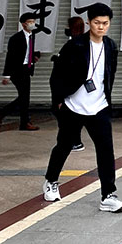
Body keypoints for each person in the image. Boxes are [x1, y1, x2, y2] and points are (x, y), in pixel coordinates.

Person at [43, 2, 122, 212]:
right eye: (97, 23)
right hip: (73, 106)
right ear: (89, 22)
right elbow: (57, 74)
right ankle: (51, 181)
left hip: (99, 107)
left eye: (105, 23)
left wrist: (106, 100)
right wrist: (58, 101)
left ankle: (108, 195)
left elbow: (110, 74)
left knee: (106, 151)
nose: (101, 27)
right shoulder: (75, 45)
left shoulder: (110, 46)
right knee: (63, 146)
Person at [0, 12, 41, 131]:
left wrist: (34, 56)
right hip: (17, 71)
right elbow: (10, 57)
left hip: (27, 69)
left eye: (33, 21)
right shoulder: (16, 38)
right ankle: (24, 122)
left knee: (24, 97)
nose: (32, 24)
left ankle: (3, 114)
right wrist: (7, 75)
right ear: (23, 24)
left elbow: (27, 51)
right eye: (30, 22)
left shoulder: (32, 35)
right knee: (24, 98)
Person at [50, 16, 88, 151]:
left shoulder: (74, 45)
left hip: (67, 87)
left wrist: (60, 95)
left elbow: (67, 69)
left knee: (64, 115)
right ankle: (74, 141)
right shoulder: (82, 43)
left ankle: (72, 142)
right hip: (74, 88)